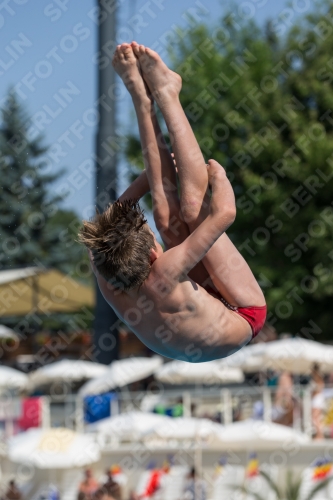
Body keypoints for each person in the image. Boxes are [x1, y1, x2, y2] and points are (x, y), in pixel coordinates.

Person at [79, 42, 267, 363]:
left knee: (167, 220)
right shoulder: (164, 271)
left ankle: (141, 96)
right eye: (151, 235)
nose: (156, 235)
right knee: (193, 210)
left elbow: (108, 225)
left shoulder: (108, 276)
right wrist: (219, 180)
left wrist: (148, 178)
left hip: (196, 320)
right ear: (154, 254)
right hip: (243, 314)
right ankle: (166, 92)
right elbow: (224, 213)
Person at [311, 363, 325, 439]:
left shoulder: (318, 379)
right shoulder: (317, 378)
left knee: (315, 418)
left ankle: (320, 435)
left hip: (317, 400)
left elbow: (318, 390)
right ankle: (319, 434)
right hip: (317, 399)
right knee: (316, 418)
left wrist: (312, 393)